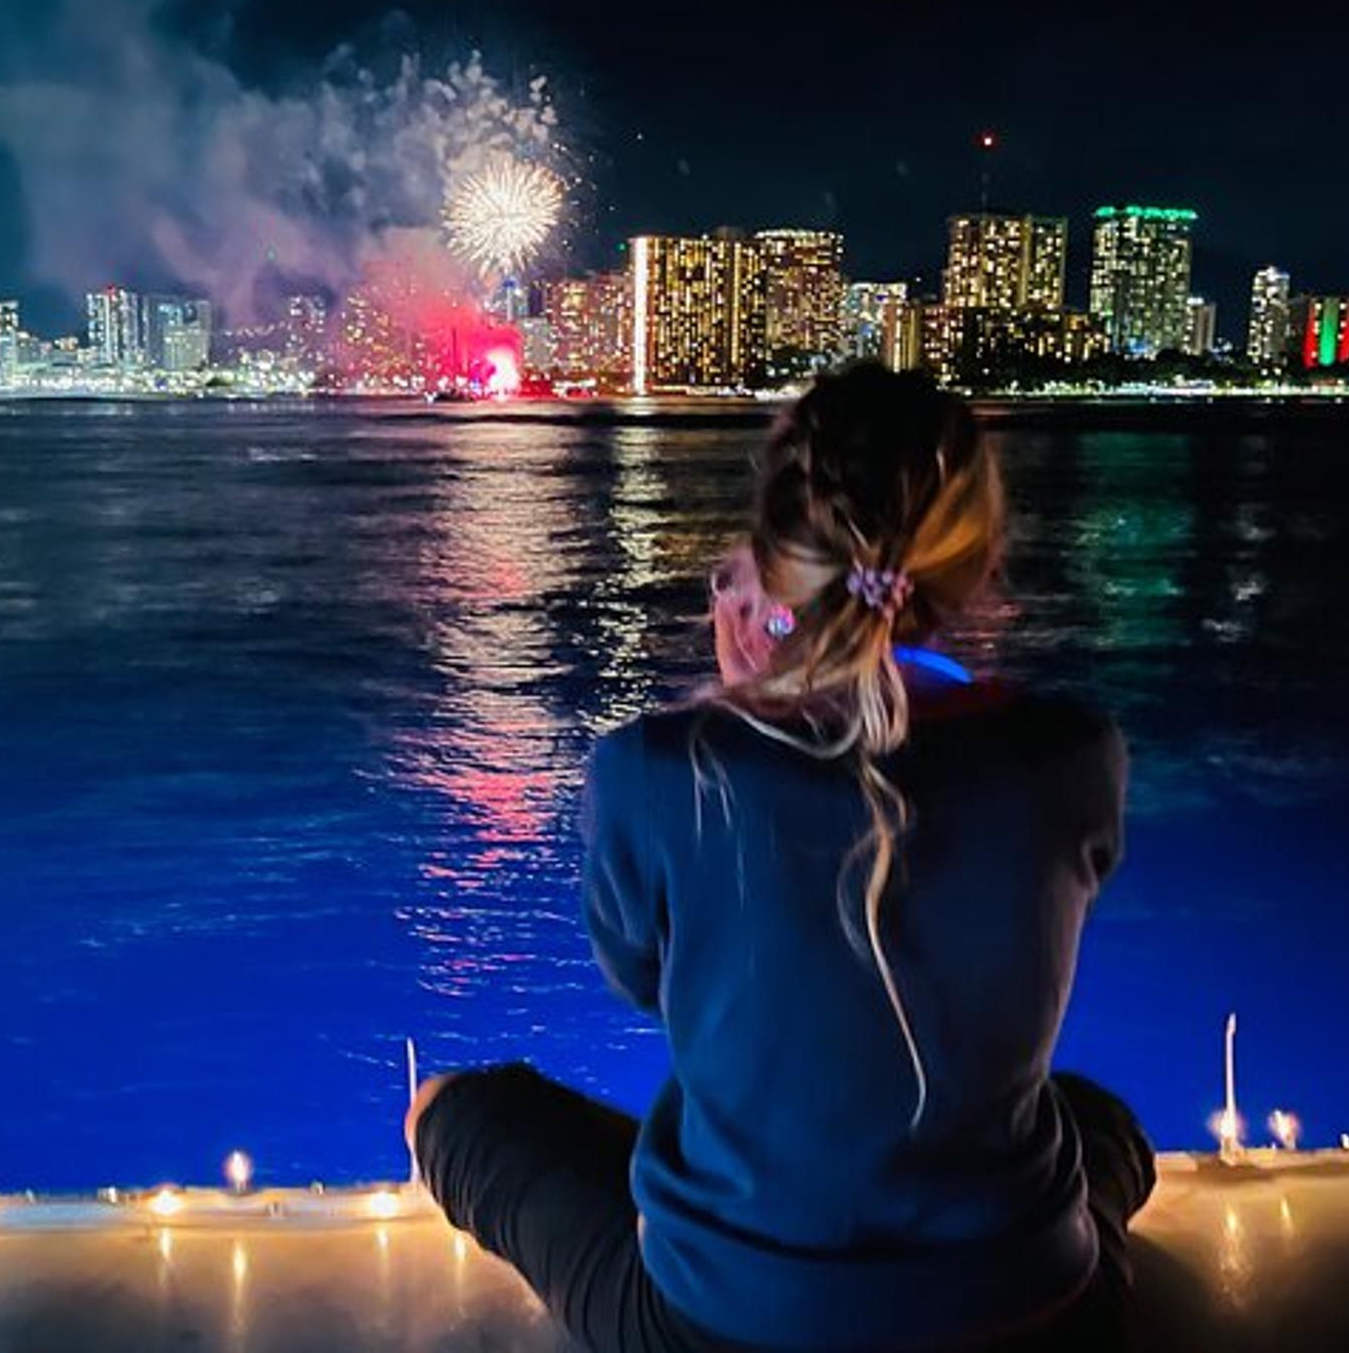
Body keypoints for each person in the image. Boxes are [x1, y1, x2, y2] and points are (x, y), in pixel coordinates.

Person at [405, 364, 1156, 1352]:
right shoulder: (1074, 755)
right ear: (979, 557)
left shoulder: (656, 770)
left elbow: (650, 980)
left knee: (453, 1111)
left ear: (772, 556)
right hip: (1041, 1315)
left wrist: (742, 703)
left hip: (723, 1328)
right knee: (1098, 1119)